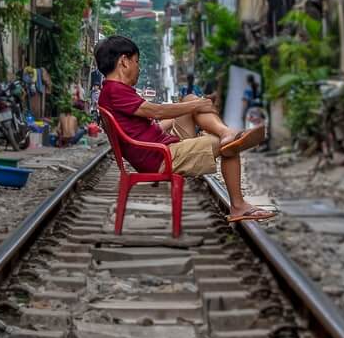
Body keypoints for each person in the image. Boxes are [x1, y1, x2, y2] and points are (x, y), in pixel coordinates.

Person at [93, 36, 274, 224]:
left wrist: (193, 105)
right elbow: (157, 111)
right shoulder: (116, 90)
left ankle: (224, 132)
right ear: (124, 61)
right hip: (161, 157)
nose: (138, 68)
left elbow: (149, 125)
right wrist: (198, 106)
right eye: (136, 62)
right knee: (231, 145)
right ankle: (238, 205)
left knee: (188, 99)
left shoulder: (111, 91)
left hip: (158, 149)